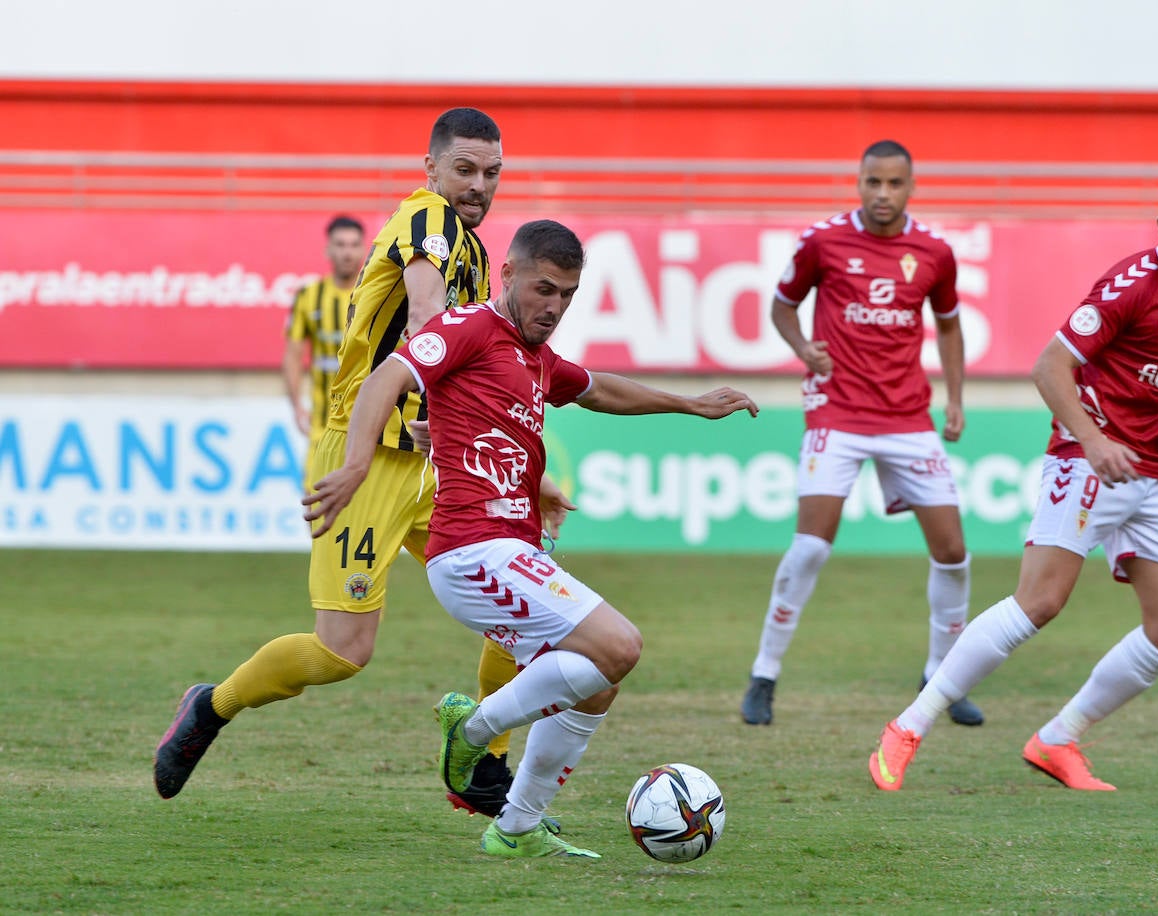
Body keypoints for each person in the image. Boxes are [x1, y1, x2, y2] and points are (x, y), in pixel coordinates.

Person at [868, 166, 1158, 793]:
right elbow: (1050, 369)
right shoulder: (1130, 287)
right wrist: (1093, 442)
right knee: (1039, 602)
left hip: (1150, 475)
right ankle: (907, 726)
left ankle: (1057, 740)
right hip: (1084, 458)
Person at [303, 219, 758, 858]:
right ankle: (474, 727)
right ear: (508, 274)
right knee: (621, 644)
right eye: (545, 289)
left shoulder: (536, 358)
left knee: (598, 680)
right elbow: (385, 379)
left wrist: (690, 404)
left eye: (568, 295)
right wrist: (354, 464)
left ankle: (516, 828)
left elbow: (601, 390)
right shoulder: (466, 330)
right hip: (469, 549)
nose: (555, 307)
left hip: (512, 548)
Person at [155, 108, 549, 817]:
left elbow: (486, 362)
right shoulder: (427, 220)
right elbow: (427, 315)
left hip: (435, 461)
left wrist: (520, 462)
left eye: (491, 173)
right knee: (342, 652)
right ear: (431, 169)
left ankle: (483, 764)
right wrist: (432, 409)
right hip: (365, 454)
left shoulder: (481, 255)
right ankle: (211, 707)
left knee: (522, 607)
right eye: (464, 170)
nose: (478, 185)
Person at [740, 139, 982, 728]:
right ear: (859, 181)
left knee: (953, 553)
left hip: (907, 418)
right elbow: (780, 305)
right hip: (838, 412)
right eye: (873, 182)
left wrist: (954, 398)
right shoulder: (823, 241)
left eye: (894, 184)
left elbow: (949, 328)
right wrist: (803, 349)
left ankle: (941, 677)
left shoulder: (934, 252)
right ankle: (763, 675)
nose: (882, 195)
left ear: (911, 186)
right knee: (812, 545)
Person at [282, 214, 366, 479]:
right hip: (323, 422)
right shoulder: (309, 296)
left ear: (364, 249)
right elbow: (293, 356)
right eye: (340, 245)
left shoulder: (374, 296)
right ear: (328, 250)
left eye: (353, 245)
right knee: (315, 503)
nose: (347, 252)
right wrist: (296, 404)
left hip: (368, 422)